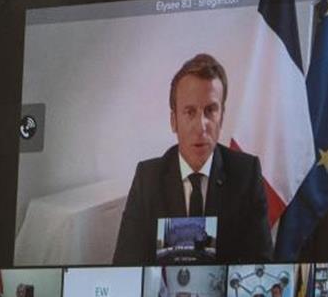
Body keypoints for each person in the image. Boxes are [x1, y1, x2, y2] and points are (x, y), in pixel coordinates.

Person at [112, 53, 273, 265]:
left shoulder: (246, 175)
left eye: (210, 110)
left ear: (222, 116)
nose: (201, 125)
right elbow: (125, 265)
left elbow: (260, 264)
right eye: (189, 112)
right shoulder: (147, 179)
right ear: (174, 121)